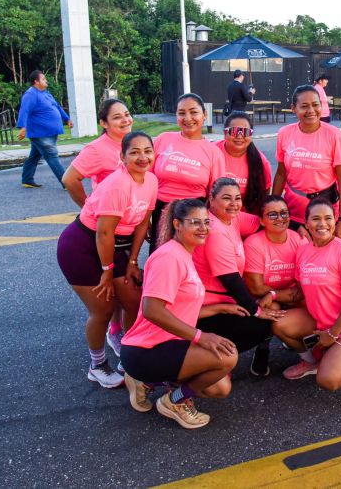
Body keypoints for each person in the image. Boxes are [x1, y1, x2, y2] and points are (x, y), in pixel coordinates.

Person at [120, 199, 238, 429]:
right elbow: (152, 310)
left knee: (218, 387)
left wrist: (221, 307)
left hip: (169, 343)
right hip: (145, 349)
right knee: (228, 357)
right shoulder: (169, 257)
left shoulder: (184, 253)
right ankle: (174, 401)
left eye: (206, 222)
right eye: (195, 222)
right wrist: (200, 337)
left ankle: (147, 383)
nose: (203, 227)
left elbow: (180, 309)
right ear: (177, 224)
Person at [56, 131, 157, 388]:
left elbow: (143, 222)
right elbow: (103, 233)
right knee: (103, 309)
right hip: (81, 247)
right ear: (122, 157)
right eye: (134, 152)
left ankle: (130, 357)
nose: (142, 157)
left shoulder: (151, 181)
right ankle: (97, 365)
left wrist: (133, 261)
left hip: (113, 248)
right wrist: (107, 271)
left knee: (135, 300)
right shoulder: (116, 185)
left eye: (147, 150)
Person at [275, 198, 341, 388]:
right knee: (279, 324)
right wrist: (272, 295)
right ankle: (311, 362)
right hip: (321, 321)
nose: (323, 224)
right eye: (316, 219)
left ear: (335, 220)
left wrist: (333, 333)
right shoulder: (303, 251)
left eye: (328, 218)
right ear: (306, 223)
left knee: (328, 380)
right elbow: (299, 291)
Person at [63, 98, 136, 358]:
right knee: (107, 294)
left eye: (127, 114)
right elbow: (69, 179)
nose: (125, 120)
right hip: (104, 230)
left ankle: (119, 330)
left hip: (125, 232)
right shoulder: (98, 149)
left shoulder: (133, 144)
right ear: (104, 124)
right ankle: (110, 336)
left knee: (122, 288)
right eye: (117, 117)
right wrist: (89, 208)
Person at [192, 178, 285, 377]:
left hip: (225, 299)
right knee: (262, 322)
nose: (234, 204)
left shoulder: (232, 218)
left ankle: (216, 359)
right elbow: (231, 280)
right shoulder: (214, 231)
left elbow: (265, 221)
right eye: (227, 198)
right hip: (207, 308)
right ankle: (207, 361)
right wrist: (256, 311)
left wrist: (297, 229)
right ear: (212, 199)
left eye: (237, 198)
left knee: (270, 310)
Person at [244, 195, 314, 374]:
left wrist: (281, 293)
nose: (280, 218)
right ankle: (263, 349)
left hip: (292, 294)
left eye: (284, 213)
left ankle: (314, 354)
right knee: (272, 309)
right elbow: (256, 288)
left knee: (315, 307)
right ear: (261, 220)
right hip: (267, 297)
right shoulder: (253, 243)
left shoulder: (299, 240)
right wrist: (285, 294)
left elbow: (307, 284)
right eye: (273, 215)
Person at [272, 85, 341, 239]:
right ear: (293, 108)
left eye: (315, 105)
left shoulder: (334, 135)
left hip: (324, 212)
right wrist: (273, 208)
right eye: (304, 106)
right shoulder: (285, 133)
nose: (311, 110)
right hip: (293, 210)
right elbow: (281, 174)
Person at [150, 93, 225, 253]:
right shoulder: (163, 139)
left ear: (204, 115)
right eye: (182, 113)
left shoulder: (213, 152)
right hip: (161, 213)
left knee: (190, 266)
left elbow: (215, 196)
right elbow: (146, 180)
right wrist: (145, 220)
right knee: (161, 263)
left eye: (194, 112)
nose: (188, 118)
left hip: (194, 217)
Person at [16, 69, 74, 188]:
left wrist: (67, 118)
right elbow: (25, 110)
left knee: (35, 156)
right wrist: (22, 127)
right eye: (43, 79)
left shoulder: (46, 93)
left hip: (49, 132)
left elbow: (56, 106)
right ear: (36, 82)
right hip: (40, 133)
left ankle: (27, 179)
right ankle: (66, 183)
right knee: (52, 156)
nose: (46, 81)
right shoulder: (31, 94)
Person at [214, 111, 272, 215]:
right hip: (212, 214)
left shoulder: (260, 162)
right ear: (225, 133)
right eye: (234, 131)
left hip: (244, 216)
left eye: (245, 132)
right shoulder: (212, 152)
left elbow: (264, 194)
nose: (240, 136)